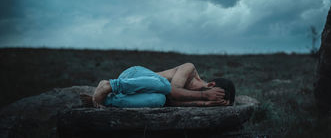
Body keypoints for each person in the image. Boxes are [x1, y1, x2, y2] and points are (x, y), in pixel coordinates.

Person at [80, 63, 235, 108]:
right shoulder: (190, 70)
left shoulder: (205, 98)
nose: (214, 99)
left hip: (137, 93)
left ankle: (106, 100)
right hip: (134, 75)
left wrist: (208, 103)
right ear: (211, 84)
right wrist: (205, 96)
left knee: (159, 100)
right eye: (217, 95)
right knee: (164, 86)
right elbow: (173, 92)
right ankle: (109, 85)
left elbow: (172, 102)